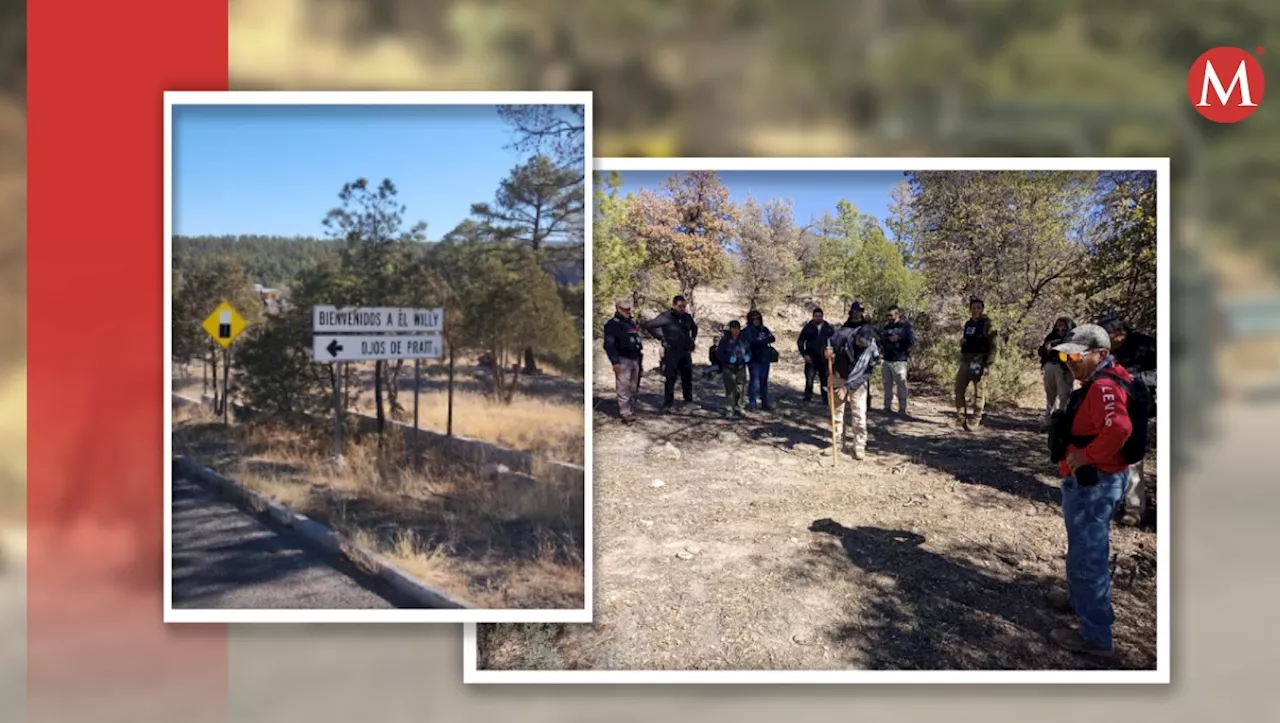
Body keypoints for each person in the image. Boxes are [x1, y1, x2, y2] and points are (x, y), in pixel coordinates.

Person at [1045, 323, 1136, 659]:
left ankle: (1096, 635)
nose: (1069, 360)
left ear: (1100, 354)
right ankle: (1078, 598)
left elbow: (1120, 429)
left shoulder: (1104, 387)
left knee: (1089, 553)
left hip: (1094, 482)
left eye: (1076, 355)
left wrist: (1085, 456)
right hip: (1093, 480)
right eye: (1066, 354)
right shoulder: (1103, 378)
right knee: (1082, 545)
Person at [1099, 316, 1157, 526]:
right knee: (1108, 451)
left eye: (1107, 337)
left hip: (1138, 406)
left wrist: (1133, 378)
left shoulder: (1147, 346)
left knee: (1133, 455)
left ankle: (1134, 509)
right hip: (1110, 405)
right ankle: (1109, 500)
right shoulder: (1106, 350)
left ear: (1118, 333)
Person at [822, 301, 879, 460]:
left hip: (858, 382)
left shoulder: (871, 347)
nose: (862, 346)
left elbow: (867, 372)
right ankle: (836, 443)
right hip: (838, 377)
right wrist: (827, 352)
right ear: (856, 336)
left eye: (865, 344)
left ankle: (859, 446)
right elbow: (828, 344)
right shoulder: (842, 335)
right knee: (836, 413)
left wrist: (848, 387)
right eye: (860, 342)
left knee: (859, 415)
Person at [642, 295, 698, 413]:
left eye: (684, 306)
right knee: (671, 378)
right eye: (680, 306)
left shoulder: (687, 317)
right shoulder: (666, 316)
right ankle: (668, 404)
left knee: (687, 377)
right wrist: (662, 337)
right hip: (672, 352)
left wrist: (692, 339)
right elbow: (649, 326)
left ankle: (688, 401)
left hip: (685, 351)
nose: (682, 308)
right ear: (674, 305)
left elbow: (694, 328)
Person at [955, 296, 998, 431]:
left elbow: (994, 346)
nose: (975, 310)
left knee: (978, 392)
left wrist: (988, 364)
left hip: (979, 362)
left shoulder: (988, 325)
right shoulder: (968, 324)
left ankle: (975, 419)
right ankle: (961, 417)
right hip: (966, 361)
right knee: (958, 389)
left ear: (982, 309)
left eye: (978, 308)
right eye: (973, 308)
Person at [602, 298, 644, 424]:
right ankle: (625, 412)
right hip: (622, 359)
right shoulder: (612, 325)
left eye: (629, 309)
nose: (628, 311)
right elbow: (609, 345)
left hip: (635, 358)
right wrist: (615, 362)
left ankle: (632, 408)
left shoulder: (631, 323)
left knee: (633, 386)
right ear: (618, 309)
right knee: (623, 386)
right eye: (625, 309)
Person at [1039, 316, 1076, 431]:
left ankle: (1062, 423)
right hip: (1050, 366)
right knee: (1050, 395)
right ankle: (1048, 421)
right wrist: (1047, 348)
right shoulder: (1051, 337)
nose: (1060, 330)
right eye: (1058, 327)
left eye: (1064, 328)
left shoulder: (1073, 339)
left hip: (1064, 370)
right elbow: (1041, 352)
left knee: (1064, 396)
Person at [879, 305, 916, 415]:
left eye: (891, 315)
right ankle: (887, 407)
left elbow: (912, 340)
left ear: (897, 314)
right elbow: (881, 340)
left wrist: (898, 339)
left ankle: (902, 409)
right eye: (887, 315)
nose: (889, 317)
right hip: (887, 359)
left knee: (901, 384)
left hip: (899, 360)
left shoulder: (906, 327)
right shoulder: (886, 327)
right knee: (887, 384)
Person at [797, 307, 835, 403]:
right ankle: (807, 397)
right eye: (816, 316)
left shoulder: (828, 328)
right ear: (813, 317)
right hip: (811, 358)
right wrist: (804, 354)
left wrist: (831, 353)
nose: (818, 318)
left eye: (820, 316)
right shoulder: (807, 328)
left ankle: (825, 399)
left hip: (824, 358)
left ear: (822, 316)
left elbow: (834, 342)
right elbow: (800, 342)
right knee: (809, 379)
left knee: (824, 379)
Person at [715, 320, 751, 418]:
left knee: (740, 387)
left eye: (737, 328)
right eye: (733, 328)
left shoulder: (743, 339)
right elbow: (719, 354)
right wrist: (728, 359)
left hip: (741, 367)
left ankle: (739, 407)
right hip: (728, 368)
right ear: (730, 329)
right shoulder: (725, 340)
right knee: (730, 388)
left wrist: (748, 357)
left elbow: (748, 350)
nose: (735, 330)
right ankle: (730, 408)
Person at [743, 309, 777, 411]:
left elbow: (772, 338)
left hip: (765, 358)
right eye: (754, 318)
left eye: (758, 318)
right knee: (754, 381)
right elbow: (752, 342)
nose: (756, 320)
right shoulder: (747, 330)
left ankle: (764, 403)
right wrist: (762, 340)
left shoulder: (763, 329)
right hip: (754, 359)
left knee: (764, 381)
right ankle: (752, 403)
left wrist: (761, 340)